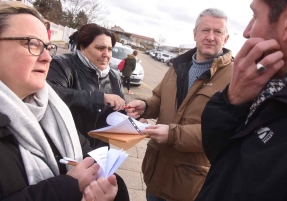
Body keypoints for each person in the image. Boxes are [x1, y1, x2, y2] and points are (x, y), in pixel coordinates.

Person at [0, 2, 117, 201]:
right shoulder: (64, 70)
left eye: (47, 47)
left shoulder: (53, 107)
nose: (47, 58)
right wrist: (68, 187)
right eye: (32, 43)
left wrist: (104, 184)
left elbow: (84, 149)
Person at [195, 0, 287, 200]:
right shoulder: (264, 84)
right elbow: (223, 157)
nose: (246, 31)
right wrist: (232, 99)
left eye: (255, 16)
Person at [126, 8, 233, 201]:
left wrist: (173, 134)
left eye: (218, 32)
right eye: (205, 30)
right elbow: (159, 98)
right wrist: (146, 106)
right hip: (156, 170)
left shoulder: (234, 77)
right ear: (194, 34)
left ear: (226, 38)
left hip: (189, 183)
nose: (210, 37)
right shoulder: (178, 66)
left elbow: (224, 131)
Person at [47, 23, 125, 149]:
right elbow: (51, 93)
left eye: (110, 49)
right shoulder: (62, 65)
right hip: (67, 148)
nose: (107, 54)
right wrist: (100, 98)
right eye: (100, 48)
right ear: (83, 47)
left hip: (101, 151)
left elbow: (118, 110)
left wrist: (132, 116)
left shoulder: (114, 77)